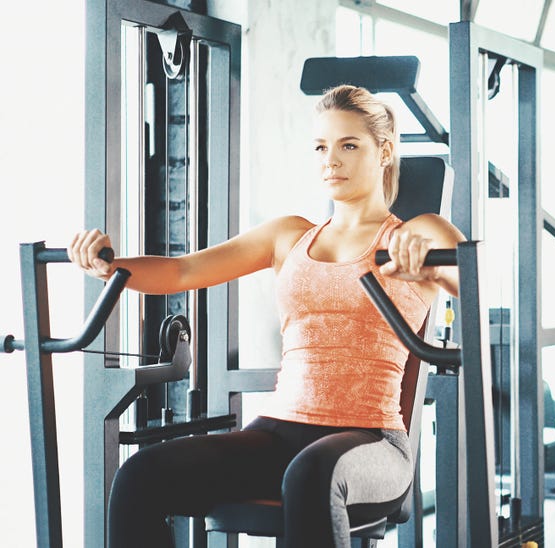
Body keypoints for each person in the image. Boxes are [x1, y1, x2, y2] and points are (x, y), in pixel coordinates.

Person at [68, 84, 465, 548]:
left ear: (385, 152)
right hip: (278, 433)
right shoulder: (288, 236)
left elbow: (473, 277)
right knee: (140, 475)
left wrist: (431, 258)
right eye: (321, 146)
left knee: (311, 473)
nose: (330, 160)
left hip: (371, 441)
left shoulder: (416, 233)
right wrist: (109, 268)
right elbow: (181, 270)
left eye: (349, 145)